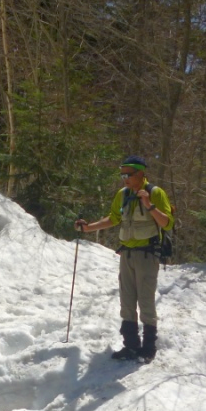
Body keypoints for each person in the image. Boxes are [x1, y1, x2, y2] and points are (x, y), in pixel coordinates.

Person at [74, 155, 174, 362]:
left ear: (141, 173)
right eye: (122, 174)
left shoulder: (156, 193)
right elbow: (113, 218)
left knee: (145, 301)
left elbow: (167, 223)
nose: (124, 178)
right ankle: (130, 345)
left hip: (148, 254)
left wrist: (149, 205)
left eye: (128, 174)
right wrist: (88, 228)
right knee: (127, 301)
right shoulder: (122, 194)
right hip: (126, 254)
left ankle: (148, 347)